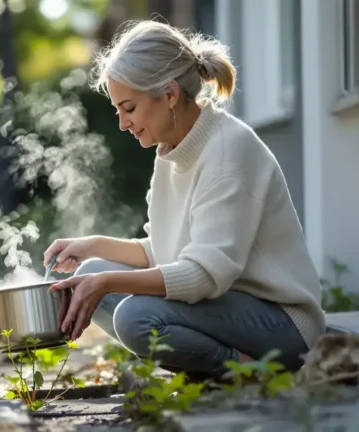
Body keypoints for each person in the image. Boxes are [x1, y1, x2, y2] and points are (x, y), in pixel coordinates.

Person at [43, 20, 325, 381]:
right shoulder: (172, 151)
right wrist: (92, 246)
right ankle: (215, 366)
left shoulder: (227, 152)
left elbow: (203, 275)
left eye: (128, 107)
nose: (123, 123)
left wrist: (110, 282)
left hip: (281, 324)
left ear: (170, 94)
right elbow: (167, 250)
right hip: (228, 307)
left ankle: (248, 371)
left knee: (132, 315)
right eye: (118, 110)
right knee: (91, 276)